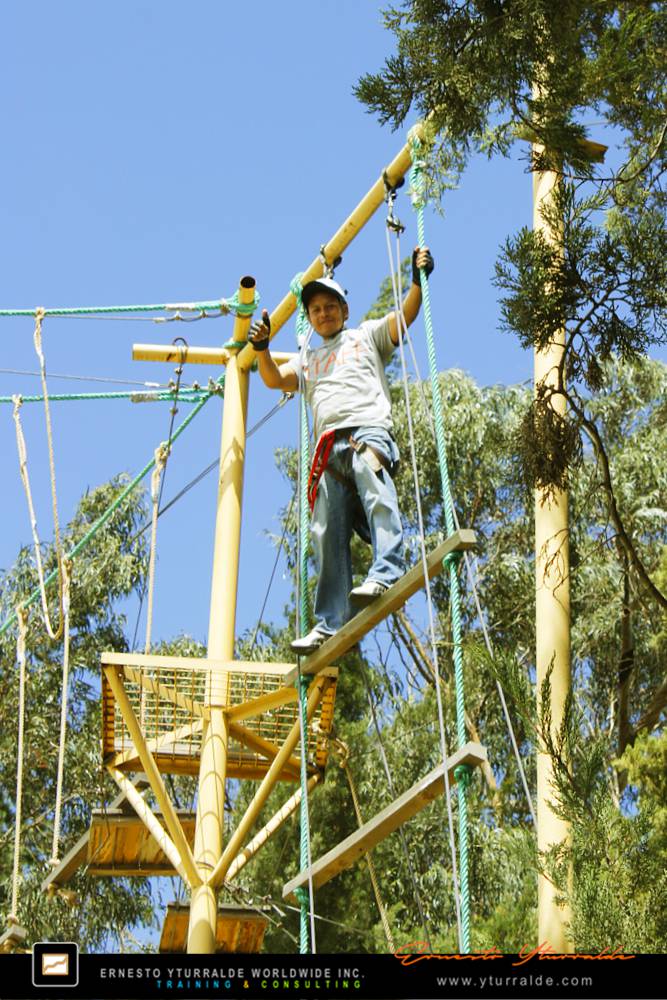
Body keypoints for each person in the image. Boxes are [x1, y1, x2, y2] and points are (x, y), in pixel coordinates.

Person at [249, 247, 434, 653]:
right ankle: (330, 621)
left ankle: (386, 568)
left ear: (344, 311)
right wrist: (262, 349)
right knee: (325, 531)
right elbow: (274, 379)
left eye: (330, 306)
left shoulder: (365, 336)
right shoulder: (308, 358)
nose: (322, 314)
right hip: (327, 450)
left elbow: (404, 318)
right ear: (310, 318)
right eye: (315, 309)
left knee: (375, 486)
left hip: (365, 432)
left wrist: (418, 282)